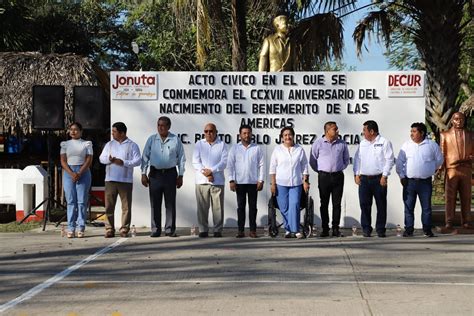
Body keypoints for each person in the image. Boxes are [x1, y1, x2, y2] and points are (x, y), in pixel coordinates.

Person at [396, 122, 443, 237]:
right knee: (408, 207)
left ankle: (427, 230)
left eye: (414, 131)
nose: (411, 134)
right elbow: (399, 162)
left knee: (426, 207)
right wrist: (402, 176)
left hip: (425, 182)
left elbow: (439, 160)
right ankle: (409, 230)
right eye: (411, 131)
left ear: (422, 133)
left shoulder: (432, 145)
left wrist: (430, 169)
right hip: (409, 182)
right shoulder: (406, 145)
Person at [141, 116, 186, 238]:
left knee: (170, 203)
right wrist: (143, 173)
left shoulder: (175, 140)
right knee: (155, 203)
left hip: (170, 174)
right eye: (158, 125)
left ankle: (170, 229)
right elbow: (145, 157)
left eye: (163, 125)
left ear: (168, 127)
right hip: (155, 174)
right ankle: (155, 229)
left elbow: (181, 159)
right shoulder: (151, 139)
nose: (160, 127)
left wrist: (181, 175)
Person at [99, 122, 141, 238]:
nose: (112, 134)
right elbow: (101, 158)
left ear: (122, 133)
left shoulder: (132, 145)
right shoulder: (110, 144)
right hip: (110, 179)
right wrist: (110, 159)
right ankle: (109, 229)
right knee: (109, 206)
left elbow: (138, 161)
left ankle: (124, 229)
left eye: (114, 132)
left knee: (126, 207)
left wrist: (124, 162)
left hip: (125, 180)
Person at [353, 120, 394, 238]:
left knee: (381, 205)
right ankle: (366, 229)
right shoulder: (362, 144)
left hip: (379, 179)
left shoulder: (384, 142)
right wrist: (356, 174)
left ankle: (380, 229)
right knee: (364, 205)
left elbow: (389, 160)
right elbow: (357, 160)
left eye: (364, 131)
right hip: (364, 179)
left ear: (372, 131)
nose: (363, 133)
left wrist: (384, 175)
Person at [310, 121, 349, 237]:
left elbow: (346, 159)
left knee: (337, 204)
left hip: (338, 176)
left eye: (337, 129)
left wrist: (339, 167)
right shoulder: (318, 143)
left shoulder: (342, 143)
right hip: (324, 177)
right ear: (327, 131)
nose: (337, 131)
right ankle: (325, 229)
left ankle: (335, 228)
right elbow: (312, 161)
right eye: (335, 129)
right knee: (324, 203)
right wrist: (321, 171)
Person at [269, 127, 310, 239]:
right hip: (281, 183)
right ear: (282, 137)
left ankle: (295, 230)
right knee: (284, 208)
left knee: (295, 205)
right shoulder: (277, 150)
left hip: (296, 183)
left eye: (290, 134)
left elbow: (304, 167)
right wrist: (273, 184)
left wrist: (305, 181)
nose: (288, 137)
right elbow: (272, 168)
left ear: (293, 136)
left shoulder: (299, 149)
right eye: (285, 135)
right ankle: (288, 230)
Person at [227, 125, 265, 238]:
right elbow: (230, 165)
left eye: (248, 133)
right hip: (239, 182)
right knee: (241, 208)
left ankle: (253, 231)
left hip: (253, 182)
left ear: (251, 134)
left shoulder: (257, 148)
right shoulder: (234, 148)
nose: (246, 135)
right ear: (240, 135)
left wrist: (261, 180)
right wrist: (231, 180)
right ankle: (240, 231)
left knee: (253, 208)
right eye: (244, 133)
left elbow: (262, 165)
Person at [193, 123, 228, 238]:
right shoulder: (199, 144)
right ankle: (203, 230)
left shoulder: (222, 145)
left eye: (211, 131)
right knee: (202, 207)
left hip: (217, 181)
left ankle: (218, 230)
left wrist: (211, 171)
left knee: (218, 208)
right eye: (206, 131)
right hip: (202, 181)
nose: (208, 133)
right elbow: (195, 162)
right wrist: (206, 173)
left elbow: (223, 162)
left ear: (216, 132)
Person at [440, 112, 473, 229]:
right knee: (450, 197)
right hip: (451, 169)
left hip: (466, 169)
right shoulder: (445, 135)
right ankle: (449, 221)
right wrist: (440, 167)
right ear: (452, 121)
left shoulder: (470, 135)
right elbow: (442, 153)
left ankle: (467, 221)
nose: (459, 121)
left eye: (461, 119)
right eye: (456, 119)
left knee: (466, 196)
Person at [60, 122, 92, 238]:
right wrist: (71, 173)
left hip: (83, 171)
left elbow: (89, 160)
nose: (73, 131)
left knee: (81, 201)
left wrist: (79, 172)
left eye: (76, 130)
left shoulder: (86, 144)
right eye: (71, 129)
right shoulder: (65, 144)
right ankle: (71, 228)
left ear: (81, 131)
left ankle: (81, 227)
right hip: (69, 172)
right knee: (71, 201)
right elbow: (63, 161)